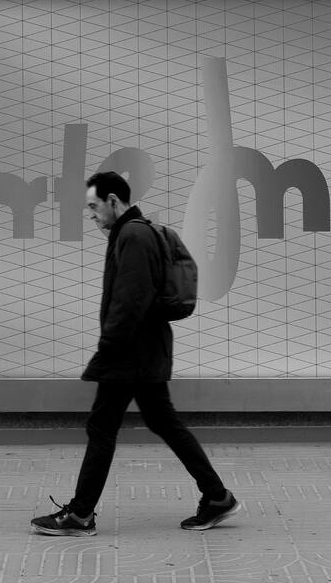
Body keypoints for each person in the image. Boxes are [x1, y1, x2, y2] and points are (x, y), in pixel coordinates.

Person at [32, 172, 238, 536]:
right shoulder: (135, 233)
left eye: (94, 206)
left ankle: (81, 514)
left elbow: (130, 299)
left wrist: (108, 348)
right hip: (145, 350)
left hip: (131, 353)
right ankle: (217, 496)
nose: (91, 214)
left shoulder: (133, 235)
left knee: (102, 427)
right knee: (162, 422)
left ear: (113, 200)